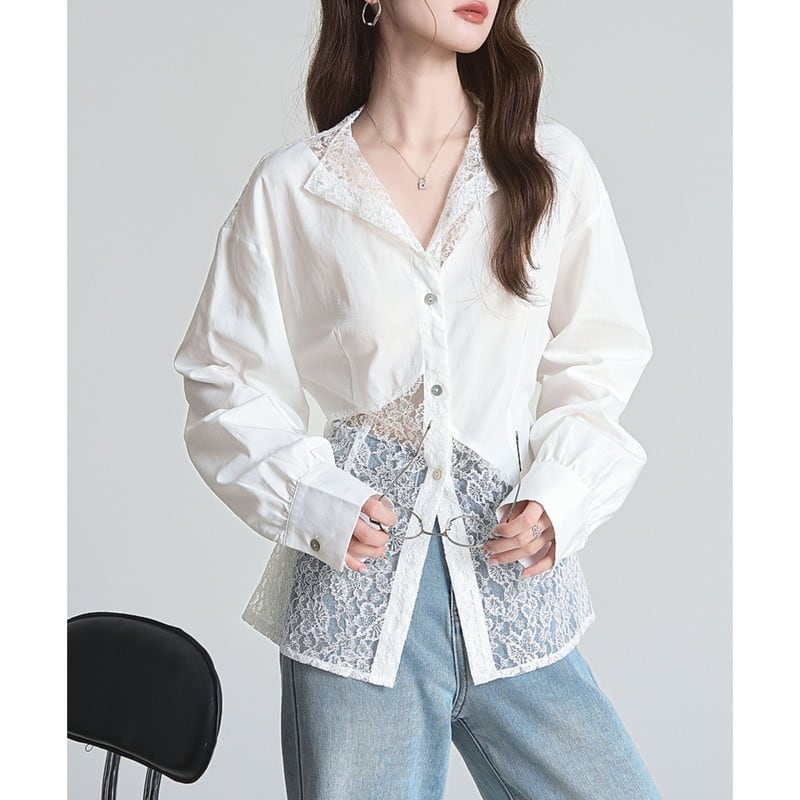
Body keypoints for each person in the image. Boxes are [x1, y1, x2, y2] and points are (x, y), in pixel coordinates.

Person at [173, 1, 662, 797]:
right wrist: (312, 496)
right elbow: (222, 378)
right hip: (357, 611)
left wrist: (563, 492)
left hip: (514, 592)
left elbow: (601, 355)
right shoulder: (295, 189)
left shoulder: (547, 165)